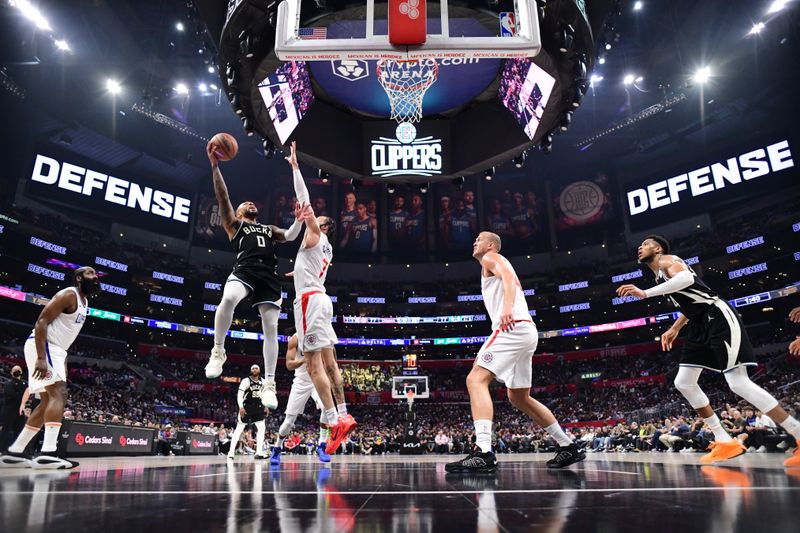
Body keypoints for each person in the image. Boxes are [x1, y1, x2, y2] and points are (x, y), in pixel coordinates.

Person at [617, 235, 800, 467]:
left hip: (718, 316)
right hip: (698, 324)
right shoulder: (658, 275)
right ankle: (725, 440)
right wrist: (674, 327)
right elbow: (690, 301)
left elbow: (685, 278)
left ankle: (798, 433)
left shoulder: (668, 260)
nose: (640, 248)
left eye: (645, 244)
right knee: (683, 381)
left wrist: (645, 293)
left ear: (658, 248)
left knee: (738, 383)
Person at [446, 232, 583, 473]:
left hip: (512, 327)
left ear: (491, 245)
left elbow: (508, 276)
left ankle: (484, 451)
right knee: (519, 397)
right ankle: (567, 445)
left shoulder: (492, 257)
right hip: (526, 331)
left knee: (475, 379)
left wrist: (507, 308)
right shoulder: (489, 262)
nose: (474, 241)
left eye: (479, 238)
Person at [203, 141, 305, 414]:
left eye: (251, 202)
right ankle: (218, 351)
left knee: (270, 329)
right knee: (227, 300)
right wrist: (215, 166)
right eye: (244, 203)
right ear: (237, 213)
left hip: (269, 278)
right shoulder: (234, 225)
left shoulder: (269, 228)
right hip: (245, 269)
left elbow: (292, 235)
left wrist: (298, 220)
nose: (249, 202)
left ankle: (270, 383)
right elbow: (223, 196)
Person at [285, 142, 357, 455]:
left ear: (322, 226)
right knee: (330, 363)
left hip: (309, 301)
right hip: (321, 298)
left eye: (316, 218)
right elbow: (311, 270)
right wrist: (296, 274)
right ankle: (343, 413)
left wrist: (296, 168)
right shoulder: (325, 250)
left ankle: (333, 422)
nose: (309, 218)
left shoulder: (316, 234)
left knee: (314, 366)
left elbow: (306, 201)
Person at [0, 267, 100, 469]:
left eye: (96, 274)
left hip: (57, 350)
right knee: (58, 395)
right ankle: (47, 453)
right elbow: (42, 321)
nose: (96, 276)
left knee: (47, 401)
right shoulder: (68, 294)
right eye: (90, 273)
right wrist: (40, 357)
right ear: (79, 278)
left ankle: (15, 451)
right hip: (46, 346)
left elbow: (64, 337)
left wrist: (61, 360)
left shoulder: (85, 302)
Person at [270, 333, 331, 465]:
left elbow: (331, 361)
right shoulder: (296, 338)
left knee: (327, 408)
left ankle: (321, 446)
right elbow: (289, 365)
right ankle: (277, 447)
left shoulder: (323, 333)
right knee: (289, 421)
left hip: (318, 379)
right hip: (301, 382)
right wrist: (304, 360)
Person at [228, 364, 268, 459]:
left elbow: (266, 395)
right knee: (239, 429)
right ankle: (231, 452)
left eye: (256, 368)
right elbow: (240, 395)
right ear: (251, 370)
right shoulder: (246, 381)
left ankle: (258, 452)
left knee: (262, 428)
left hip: (259, 407)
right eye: (253, 368)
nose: (254, 370)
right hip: (247, 407)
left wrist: (266, 406)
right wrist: (241, 407)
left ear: (259, 371)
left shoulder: (264, 381)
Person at [1, 366, 28, 452]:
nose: (17, 371)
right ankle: (2, 449)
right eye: (15, 370)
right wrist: (22, 395)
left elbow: (26, 394)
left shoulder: (24, 383)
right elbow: (11, 395)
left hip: (20, 410)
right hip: (9, 410)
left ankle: (16, 450)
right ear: (11, 372)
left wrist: (20, 394)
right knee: (6, 430)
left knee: (19, 431)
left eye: (19, 370)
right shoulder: (8, 383)